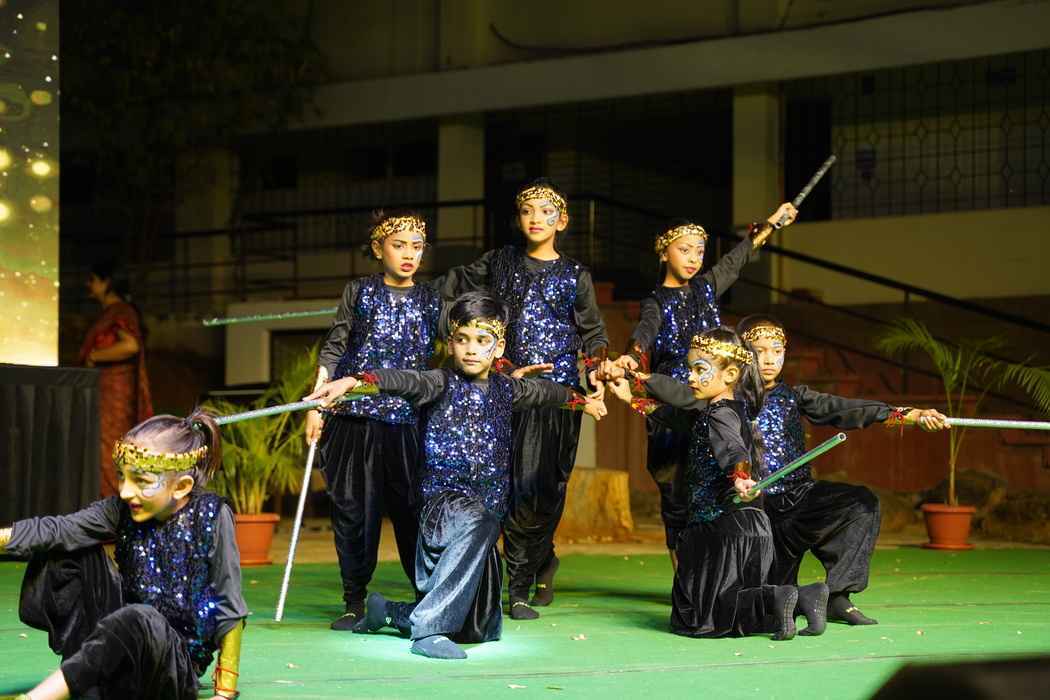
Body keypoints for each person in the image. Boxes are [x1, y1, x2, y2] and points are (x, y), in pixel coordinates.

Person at [305, 292, 606, 659]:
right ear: (450, 343)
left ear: (499, 348)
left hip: (485, 513)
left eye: (482, 340)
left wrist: (584, 402)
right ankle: (428, 630)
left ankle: (389, 612)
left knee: (478, 628)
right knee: (480, 521)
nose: (471, 349)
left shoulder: (507, 389)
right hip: (443, 507)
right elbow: (397, 380)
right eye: (462, 339)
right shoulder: (438, 383)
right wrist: (352, 382)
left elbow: (548, 393)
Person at [438, 179, 611, 619]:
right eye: (528, 211)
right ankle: (515, 586)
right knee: (506, 483)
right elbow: (450, 287)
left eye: (546, 211)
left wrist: (596, 370)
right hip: (507, 388)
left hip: (557, 397)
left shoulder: (575, 275)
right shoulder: (498, 262)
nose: (536, 219)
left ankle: (541, 559)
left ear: (562, 221)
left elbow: (593, 333)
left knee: (543, 487)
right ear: (518, 219)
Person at [0, 410, 248, 700]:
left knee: (140, 617)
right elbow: (61, 529)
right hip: (122, 635)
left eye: (141, 481)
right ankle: (91, 671)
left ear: (181, 487)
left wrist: (224, 693)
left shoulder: (211, 515)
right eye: (122, 477)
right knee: (65, 550)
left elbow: (229, 604)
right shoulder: (121, 508)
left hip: (171, 666)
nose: (126, 491)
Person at [605, 328, 827, 640]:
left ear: (730, 374)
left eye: (700, 370)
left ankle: (777, 596)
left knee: (696, 619)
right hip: (749, 526)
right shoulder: (722, 409)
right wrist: (630, 398)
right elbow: (671, 416)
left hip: (721, 528)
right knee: (730, 611)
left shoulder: (720, 415)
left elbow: (734, 449)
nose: (690, 378)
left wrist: (740, 477)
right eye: (690, 369)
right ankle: (804, 597)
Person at [614, 204, 797, 567]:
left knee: (722, 482)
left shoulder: (706, 288)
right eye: (685, 249)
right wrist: (632, 356)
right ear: (663, 252)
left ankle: (721, 571)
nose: (694, 258)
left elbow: (736, 260)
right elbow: (645, 332)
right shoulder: (655, 301)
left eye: (699, 251)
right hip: (674, 402)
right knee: (676, 491)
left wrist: (772, 224)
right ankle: (684, 576)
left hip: (713, 403)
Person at [737, 315, 950, 625]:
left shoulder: (796, 397)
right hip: (755, 512)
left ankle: (837, 596)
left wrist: (910, 415)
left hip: (799, 501)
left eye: (777, 351)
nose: (769, 360)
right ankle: (796, 596)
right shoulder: (728, 400)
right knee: (764, 607)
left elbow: (847, 409)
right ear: (743, 354)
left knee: (861, 503)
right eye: (759, 351)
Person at [306, 211, 443, 631]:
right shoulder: (359, 292)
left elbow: (460, 343)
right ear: (378, 249)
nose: (408, 254)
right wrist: (315, 405)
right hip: (355, 419)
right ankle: (354, 600)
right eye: (399, 245)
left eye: (416, 247)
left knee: (413, 513)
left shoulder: (432, 299)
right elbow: (335, 347)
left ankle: (428, 597)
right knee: (354, 512)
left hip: (408, 423)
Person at [80, 260, 153, 497]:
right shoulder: (112, 312)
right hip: (106, 392)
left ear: (107, 282)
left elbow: (130, 345)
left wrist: (95, 355)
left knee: (110, 450)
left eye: (92, 279)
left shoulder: (121, 311)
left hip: (115, 396)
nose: (88, 284)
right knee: (104, 451)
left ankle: (116, 510)